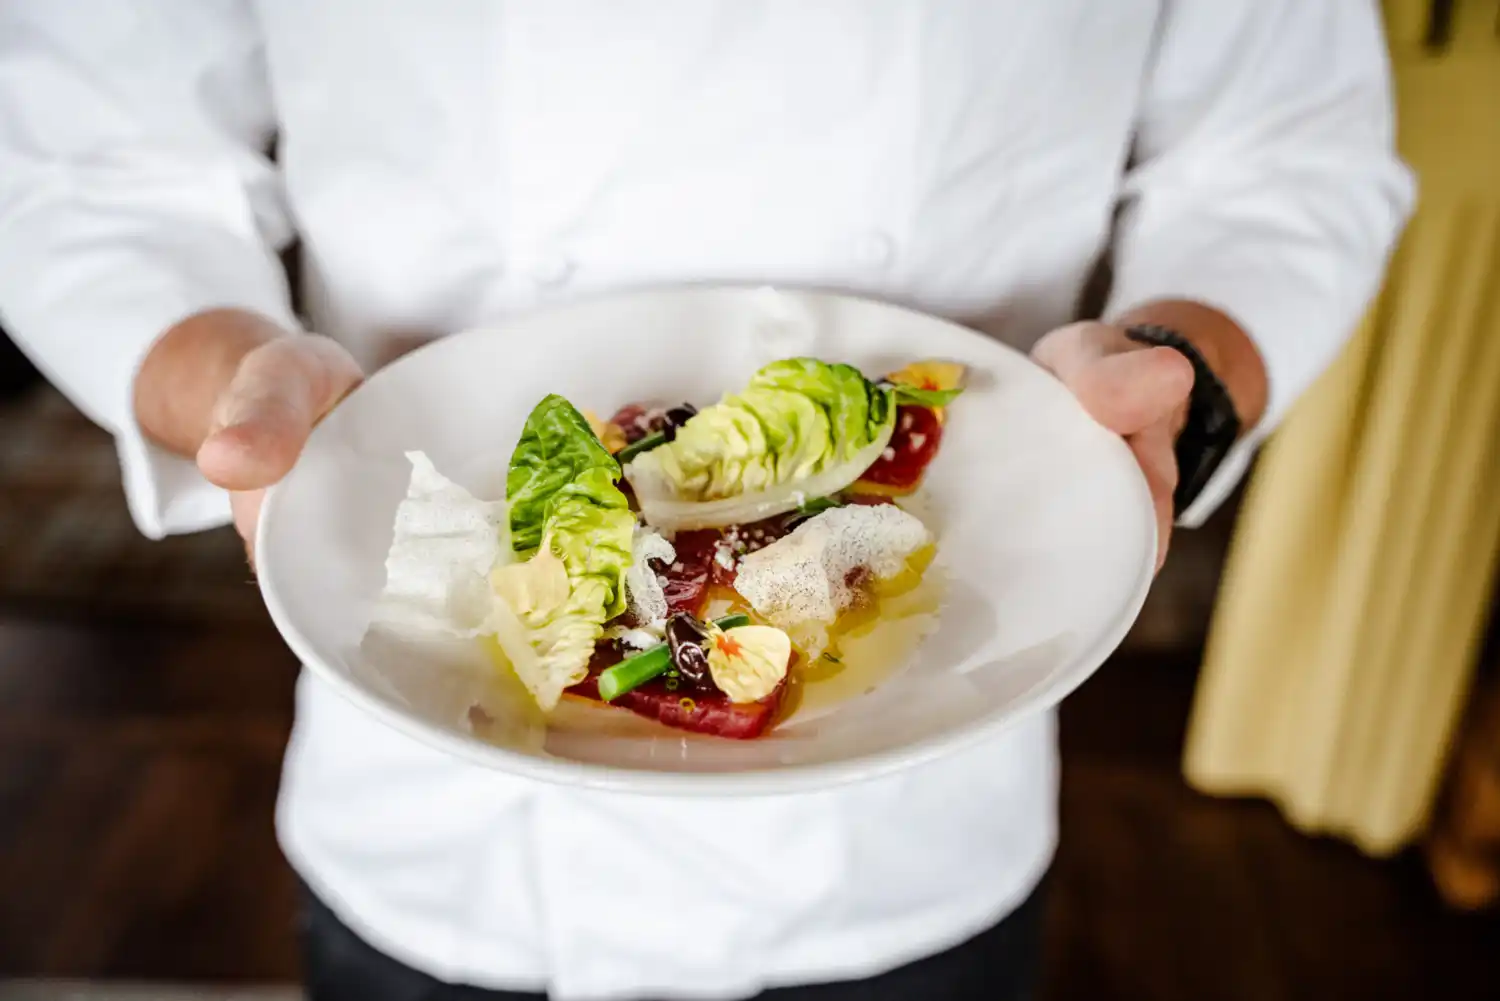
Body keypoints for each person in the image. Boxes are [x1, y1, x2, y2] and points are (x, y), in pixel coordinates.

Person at [0, 3, 1412, 999]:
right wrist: (234, 385)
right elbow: (90, 165)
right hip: (438, 795)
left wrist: (1170, 384)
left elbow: (1284, 157)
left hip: (922, 805)